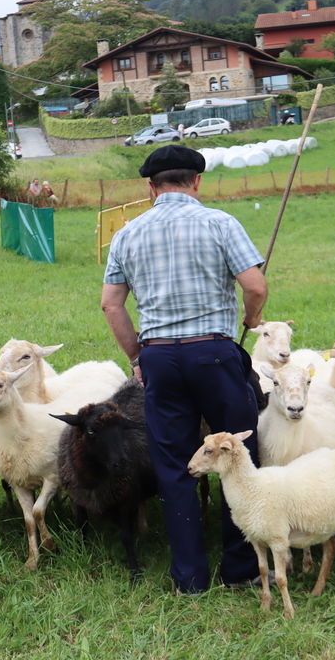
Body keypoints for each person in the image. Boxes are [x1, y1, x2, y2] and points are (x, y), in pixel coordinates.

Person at [101, 144, 268, 595]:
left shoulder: (126, 234)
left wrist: (137, 358)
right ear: (196, 181)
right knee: (236, 454)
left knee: (175, 466)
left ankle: (189, 579)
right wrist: (252, 317)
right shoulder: (220, 223)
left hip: (160, 359)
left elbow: (111, 305)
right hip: (215, 354)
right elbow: (254, 286)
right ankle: (241, 570)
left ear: (150, 187)